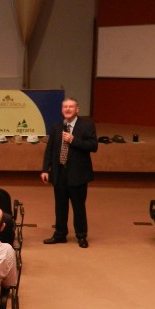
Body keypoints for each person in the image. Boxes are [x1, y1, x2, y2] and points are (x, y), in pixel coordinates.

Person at [41, 98, 98, 248]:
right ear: (62, 110)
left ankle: (81, 236)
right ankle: (60, 234)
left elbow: (93, 146)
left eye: (71, 107)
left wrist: (73, 140)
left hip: (78, 175)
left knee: (79, 207)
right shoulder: (56, 127)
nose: (67, 109)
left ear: (77, 109)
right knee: (60, 207)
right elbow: (50, 149)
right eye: (65, 107)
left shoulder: (87, 125)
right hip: (59, 173)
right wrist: (45, 169)